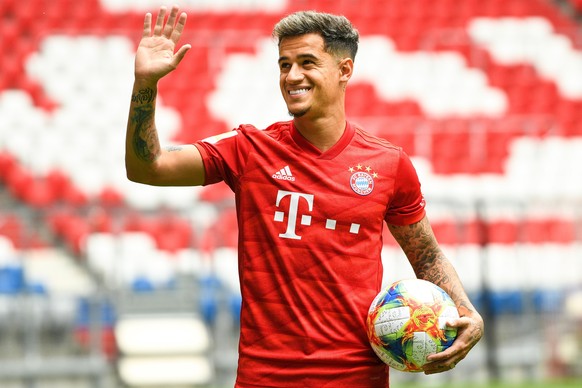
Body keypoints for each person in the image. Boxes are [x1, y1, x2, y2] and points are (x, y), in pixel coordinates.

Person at [125, 5, 484, 387]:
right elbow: (148, 168)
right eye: (284, 65)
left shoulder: (389, 164)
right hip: (265, 377)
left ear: (344, 70)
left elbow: (426, 255)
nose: (292, 76)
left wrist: (465, 310)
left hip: (355, 377)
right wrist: (146, 84)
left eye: (307, 62)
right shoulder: (249, 149)